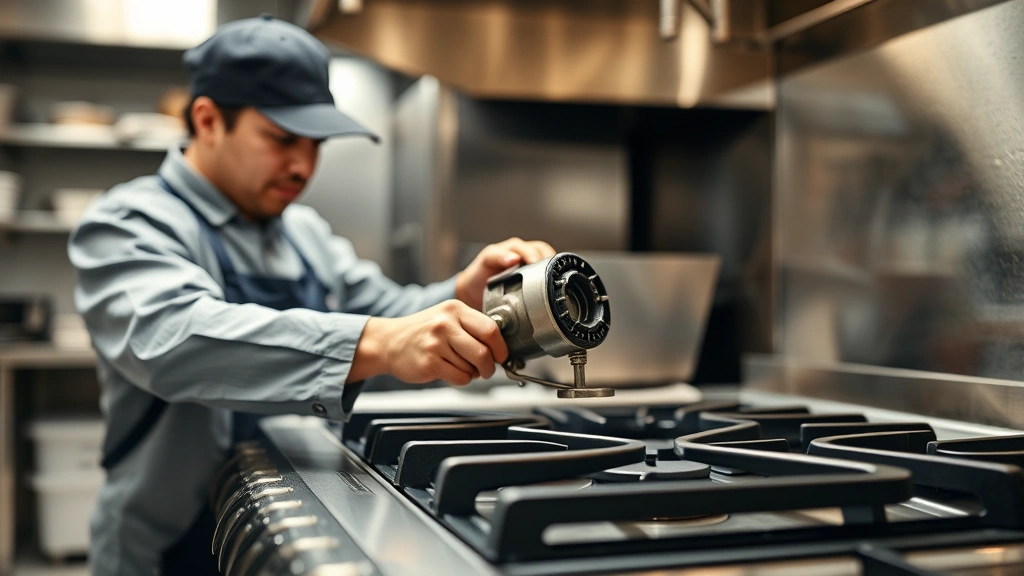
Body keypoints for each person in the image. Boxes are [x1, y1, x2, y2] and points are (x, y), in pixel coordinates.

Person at [68, 15, 554, 576]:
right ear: (207, 120)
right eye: (282, 139)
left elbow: (384, 316)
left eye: (315, 144)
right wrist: (379, 339)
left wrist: (462, 297)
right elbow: (173, 337)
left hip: (287, 519)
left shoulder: (302, 234)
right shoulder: (128, 223)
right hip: (162, 547)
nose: (303, 165)